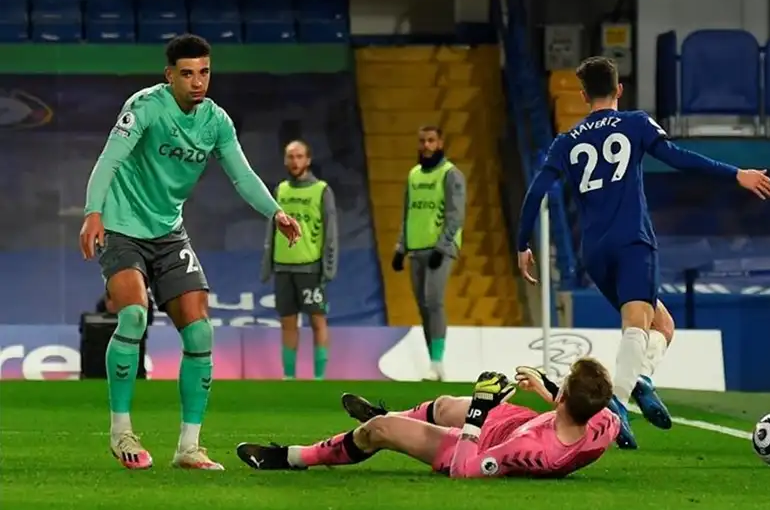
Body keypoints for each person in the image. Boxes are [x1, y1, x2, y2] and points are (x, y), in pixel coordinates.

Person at [515, 56, 770, 449]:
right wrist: (735, 173)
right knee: (636, 325)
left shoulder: (566, 141)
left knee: (662, 326)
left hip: (594, 251)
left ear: (584, 96)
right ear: (619, 89)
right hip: (632, 240)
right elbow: (678, 158)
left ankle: (639, 379)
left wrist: (522, 244)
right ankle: (616, 407)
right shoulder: (635, 122)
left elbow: (537, 190)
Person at [80, 34, 302, 471]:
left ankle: (188, 447)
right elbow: (109, 159)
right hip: (121, 227)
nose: (197, 81)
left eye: (204, 72)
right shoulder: (145, 107)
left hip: (168, 234)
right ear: (170, 76)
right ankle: (121, 431)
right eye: (187, 74)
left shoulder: (216, 122)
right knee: (133, 315)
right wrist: (93, 212)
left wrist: (275, 212)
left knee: (200, 332)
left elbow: (242, 175)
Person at [236, 358, 619, 478]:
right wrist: (549, 390)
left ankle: (292, 457)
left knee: (379, 431)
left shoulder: (533, 451)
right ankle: (394, 414)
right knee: (445, 404)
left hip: (483, 445)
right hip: (522, 421)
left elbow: (465, 470)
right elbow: (595, 408)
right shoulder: (604, 421)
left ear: (566, 399)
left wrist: (478, 413)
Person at [390, 125, 466, 381]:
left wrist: (442, 247)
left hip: (440, 248)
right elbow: (408, 213)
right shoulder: (413, 175)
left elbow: (456, 215)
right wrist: (400, 248)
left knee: (434, 300)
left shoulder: (450, 174)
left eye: (431, 140)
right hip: (416, 247)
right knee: (423, 305)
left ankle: (437, 362)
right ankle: (433, 362)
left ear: (440, 143)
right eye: (422, 141)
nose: (426, 145)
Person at [261, 140, 338, 380]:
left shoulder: (322, 190)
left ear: (308, 159)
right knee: (287, 322)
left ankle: (319, 378)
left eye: (299, 156)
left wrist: (328, 268)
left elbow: (331, 232)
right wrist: (268, 264)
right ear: (285, 160)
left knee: (317, 320)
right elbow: (271, 230)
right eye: (290, 157)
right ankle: (289, 377)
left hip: (310, 267)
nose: (295, 161)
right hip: (283, 266)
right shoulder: (281, 190)